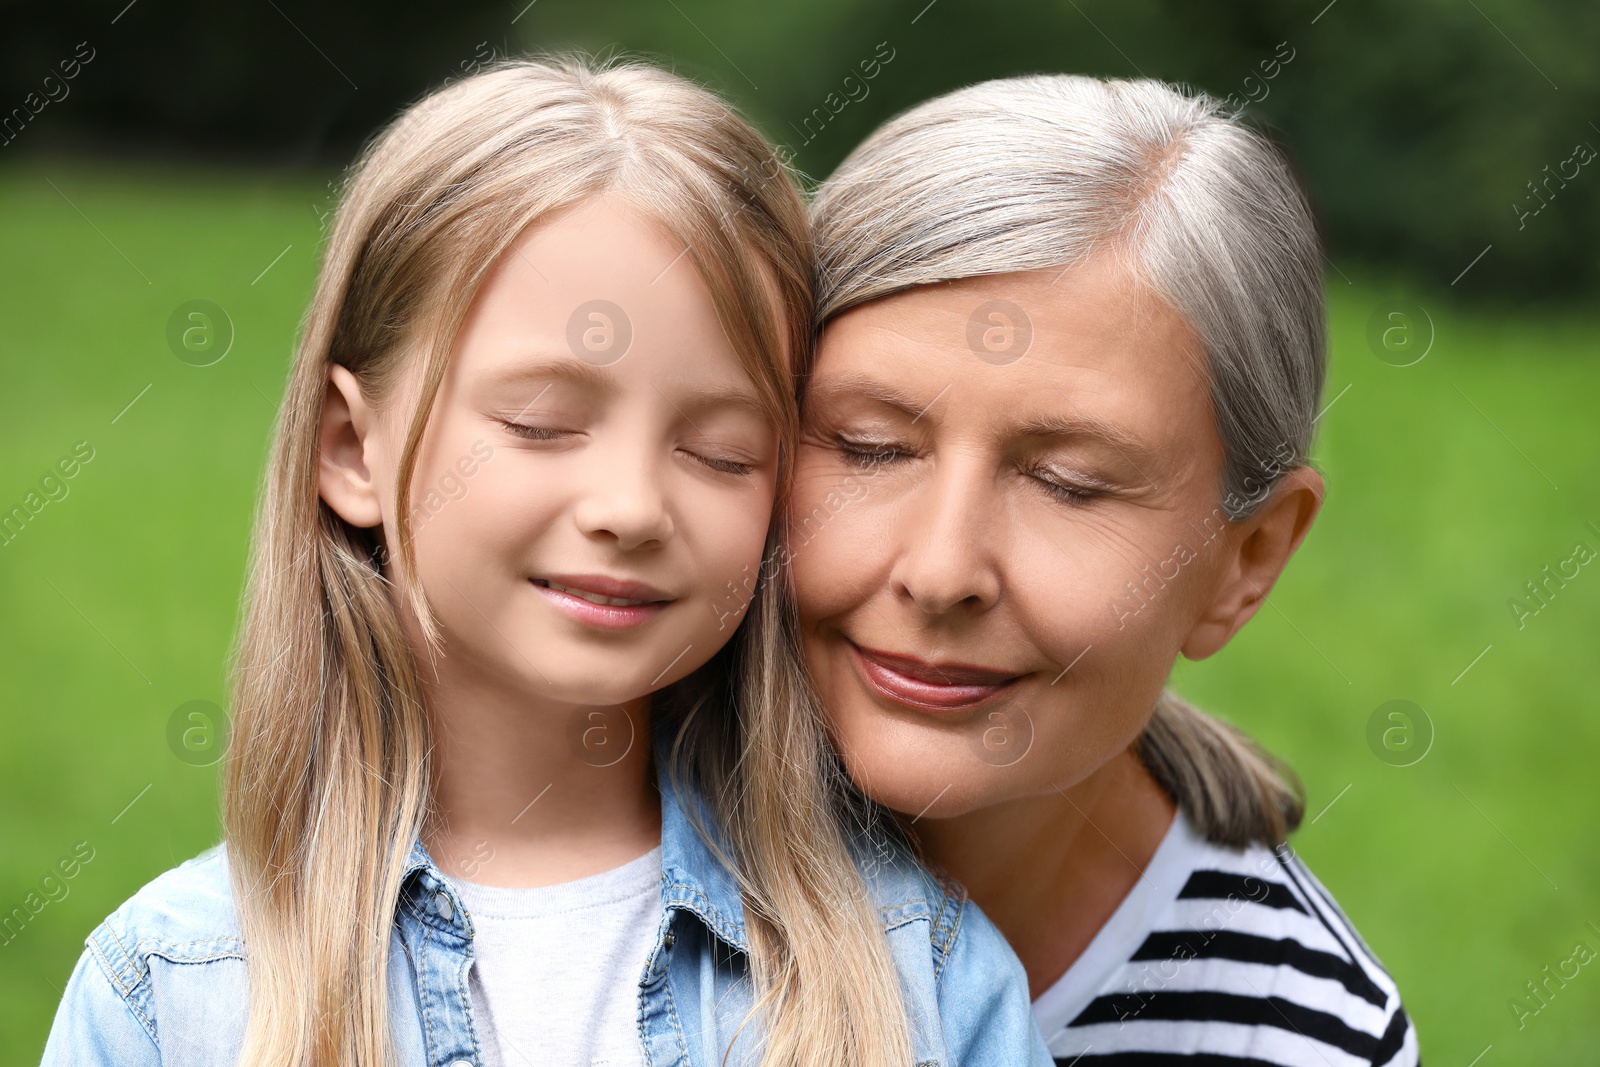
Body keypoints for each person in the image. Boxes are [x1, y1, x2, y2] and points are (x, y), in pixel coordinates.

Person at [40, 57, 1047, 1067]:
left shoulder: (919, 975)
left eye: (720, 452)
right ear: (351, 446)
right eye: (542, 422)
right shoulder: (170, 992)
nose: (631, 507)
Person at [790, 74, 1420, 1065]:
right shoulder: (543, 868)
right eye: (870, 447)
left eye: (1069, 483)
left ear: (1245, 559)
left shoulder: (1292, 1035)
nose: (941, 567)